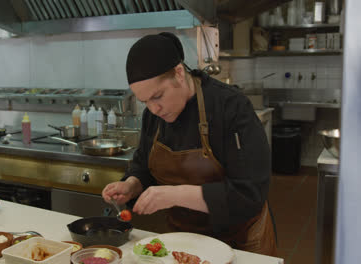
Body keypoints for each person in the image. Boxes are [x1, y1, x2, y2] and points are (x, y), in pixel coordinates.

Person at [101, 32, 277, 256]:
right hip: (185, 242)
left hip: (241, 241)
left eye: (158, 96)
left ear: (179, 73)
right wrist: (132, 185)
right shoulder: (153, 116)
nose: (154, 109)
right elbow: (143, 166)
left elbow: (249, 194)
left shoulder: (231, 107)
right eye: (145, 102)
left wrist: (174, 195)